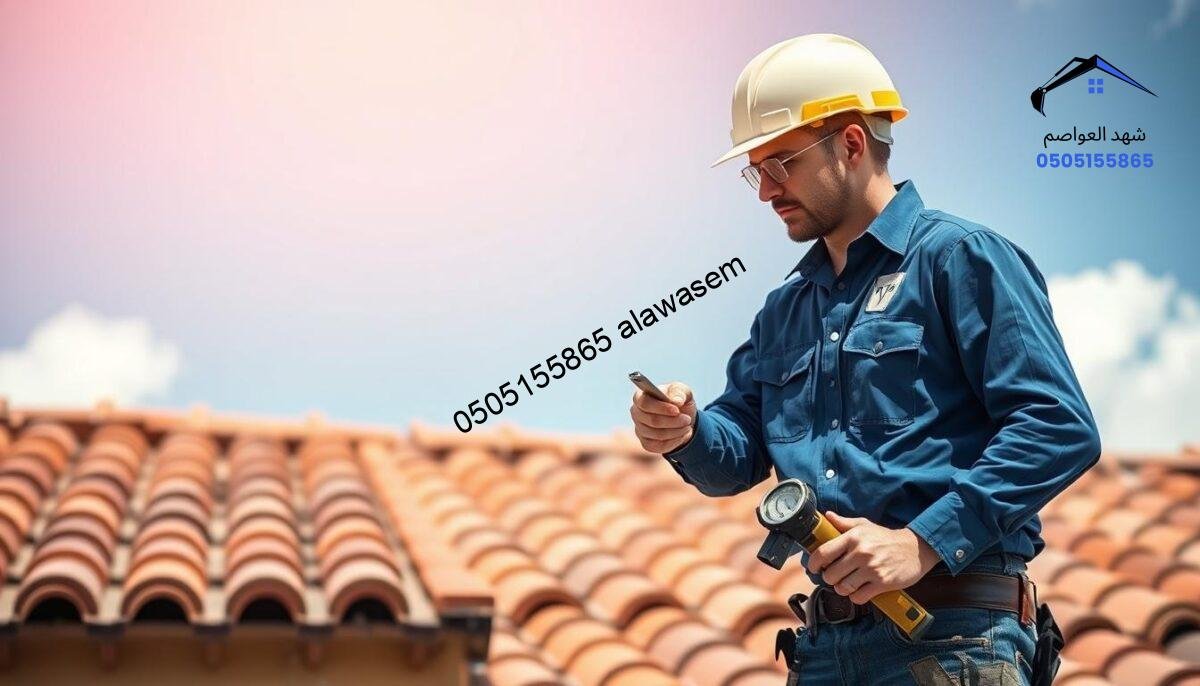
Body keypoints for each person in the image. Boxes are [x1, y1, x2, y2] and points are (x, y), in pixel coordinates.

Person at [629, 33, 1097, 685]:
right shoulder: (785, 310)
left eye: (781, 163)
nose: (765, 190)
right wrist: (685, 432)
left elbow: (1057, 427)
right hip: (823, 651)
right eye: (755, 169)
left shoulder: (959, 259)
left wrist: (922, 543)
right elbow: (734, 456)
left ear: (851, 143)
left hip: (952, 640)